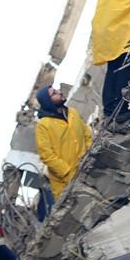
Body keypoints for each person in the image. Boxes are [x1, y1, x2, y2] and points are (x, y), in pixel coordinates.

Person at [33, 85, 92, 217]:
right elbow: (47, 155)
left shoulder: (72, 113)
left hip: (86, 170)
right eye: (54, 93)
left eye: (57, 90)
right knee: (73, 216)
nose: (59, 92)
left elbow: (87, 135)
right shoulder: (43, 125)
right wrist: (68, 172)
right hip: (64, 183)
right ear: (48, 101)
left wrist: (89, 155)